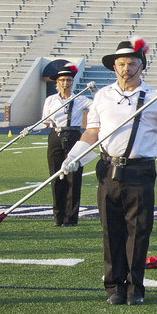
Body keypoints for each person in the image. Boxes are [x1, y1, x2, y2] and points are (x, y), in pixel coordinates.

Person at [59, 38, 157, 306]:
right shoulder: (102, 96)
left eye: (131, 63)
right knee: (111, 230)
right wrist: (73, 157)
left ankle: (135, 288)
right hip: (107, 169)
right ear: (114, 67)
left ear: (142, 65)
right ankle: (114, 287)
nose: (126, 68)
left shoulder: (154, 96)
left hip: (140, 172)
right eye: (121, 64)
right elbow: (92, 132)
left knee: (139, 231)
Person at [40, 63, 92, 227]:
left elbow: (99, 108)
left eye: (69, 80)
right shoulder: (50, 100)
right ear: (57, 82)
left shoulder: (81, 98)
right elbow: (46, 122)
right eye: (62, 80)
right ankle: (58, 216)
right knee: (56, 177)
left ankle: (71, 218)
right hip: (56, 135)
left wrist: (94, 91)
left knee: (73, 178)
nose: (65, 83)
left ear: (72, 82)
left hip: (74, 136)